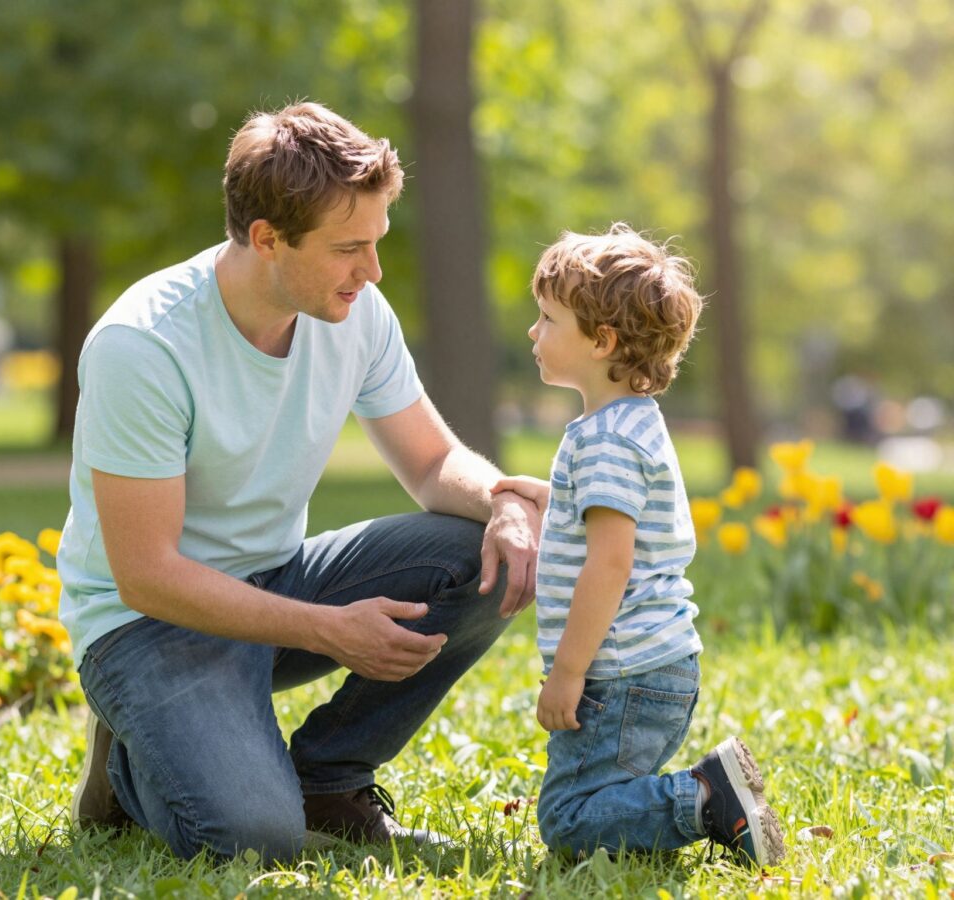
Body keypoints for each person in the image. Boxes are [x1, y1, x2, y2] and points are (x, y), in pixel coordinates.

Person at [55, 102, 542, 863]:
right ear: (266, 239)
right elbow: (145, 576)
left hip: (277, 578)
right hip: (145, 627)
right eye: (350, 248)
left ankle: (327, 779)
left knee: (480, 552)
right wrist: (325, 629)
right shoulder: (142, 347)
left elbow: (429, 462)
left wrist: (504, 501)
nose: (372, 271)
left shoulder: (356, 312)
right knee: (253, 839)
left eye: (376, 243)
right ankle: (125, 765)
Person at [492, 224, 786, 867]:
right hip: (657, 668)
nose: (533, 333)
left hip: (619, 677)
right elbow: (620, 519)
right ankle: (706, 794)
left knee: (568, 823)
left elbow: (612, 561)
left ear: (602, 340)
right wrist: (557, 498)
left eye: (547, 319)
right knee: (592, 805)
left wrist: (568, 671)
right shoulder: (630, 423)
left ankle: (704, 799)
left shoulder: (603, 441)